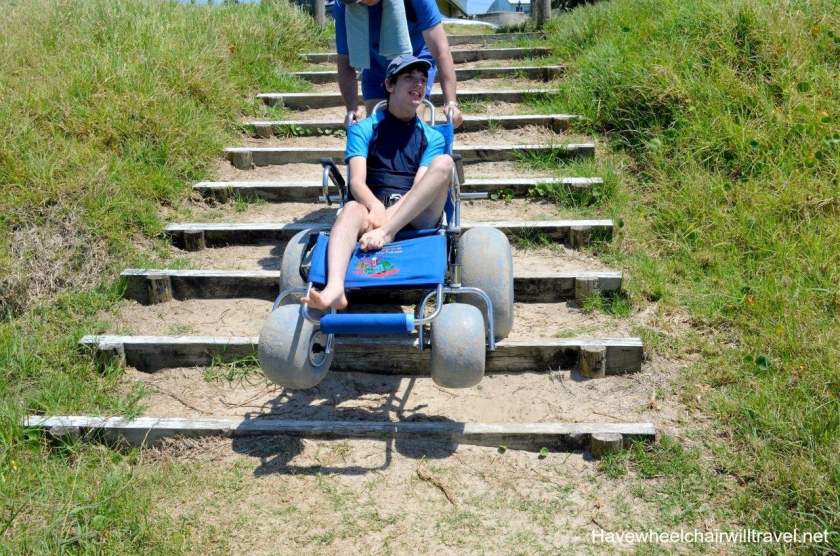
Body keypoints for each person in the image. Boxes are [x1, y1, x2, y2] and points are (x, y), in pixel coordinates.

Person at [302, 55, 454, 311]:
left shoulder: (432, 137)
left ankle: (387, 232)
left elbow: (419, 190)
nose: (418, 84)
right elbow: (357, 183)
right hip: (373, 208)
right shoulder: (364, 129)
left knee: (444, 163)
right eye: (409, 78)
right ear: (389, 85)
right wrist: (376, 208)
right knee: (351, 208)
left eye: (422, 80)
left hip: (416, 214)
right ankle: (335, 288)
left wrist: (387, 225)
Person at [334, 0, 464, 128]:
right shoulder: (343, 6)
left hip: (414, 62)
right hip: (376, 64)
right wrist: (352, 108)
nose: (362, 4)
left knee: (410, 127)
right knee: (378, 129)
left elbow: (441, 52)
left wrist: (450, 102)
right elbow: (345, 62)